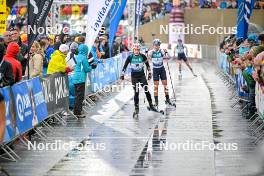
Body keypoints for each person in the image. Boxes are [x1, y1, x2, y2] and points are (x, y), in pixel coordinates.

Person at [120, 43, 157, 116]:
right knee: (136, 92)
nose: (137, 51)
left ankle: (151, 105)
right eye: (135, 50)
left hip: (142, 76)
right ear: (133, 50)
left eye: (138, 50)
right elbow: (125, 66)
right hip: (134, 77)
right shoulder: (130, 57)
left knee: (146, 90)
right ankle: (136, 108)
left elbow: (148, 65)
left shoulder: (143, 56)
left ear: (139, 50)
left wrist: (149, 73)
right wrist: (122, 74)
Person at [148, 39, 173, 107]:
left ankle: (167, 99)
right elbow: (147, 58)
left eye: (158, 45)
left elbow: (170, 57)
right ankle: (156, 102)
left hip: (162, 70)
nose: (156, 47)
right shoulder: (151, 52)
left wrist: (167, 52)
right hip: (155, 70)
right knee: (156, 86)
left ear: (159, 46)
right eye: (155, 45)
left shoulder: (162, 51)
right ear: (153, 45)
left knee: (165, 85)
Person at [72, 44, 91, 118]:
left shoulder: (76, 57)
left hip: (75, 77)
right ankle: (78, 112)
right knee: (80, 96)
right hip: (81, 78)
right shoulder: (84, 58)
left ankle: (76, 111)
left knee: (77, 95)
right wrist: (91, 67)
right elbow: (86, 69)